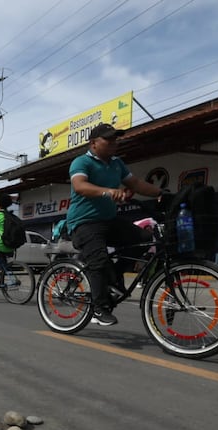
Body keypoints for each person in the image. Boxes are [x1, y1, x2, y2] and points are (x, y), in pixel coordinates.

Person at [66, 123, 163, 326]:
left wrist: (160, 193)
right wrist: (108, 191)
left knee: (144, 239)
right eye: (108, 140)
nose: (114, 143)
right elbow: (80, 185)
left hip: (108, 221)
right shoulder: (81, 162)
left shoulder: (117, 163)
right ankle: (99, 308)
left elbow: (135, 184)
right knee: (99, 261)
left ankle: (114, 278)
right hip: (84, 222)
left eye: (115, 139)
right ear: (94, 143)